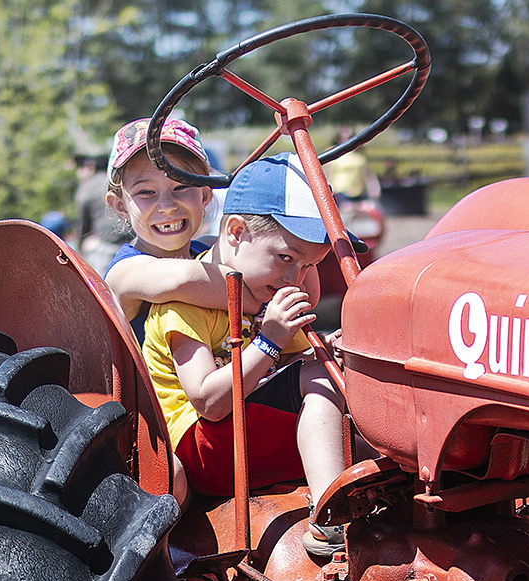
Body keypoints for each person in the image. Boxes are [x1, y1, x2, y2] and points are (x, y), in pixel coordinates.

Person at [141, 151, 366, 556]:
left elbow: (292, 370)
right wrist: (269, 340)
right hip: (201, 453)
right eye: (285, 258)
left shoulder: (268, 297)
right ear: (235, 232)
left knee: (347, 385)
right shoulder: (184, 305)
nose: (294, 278)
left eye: (308, 266)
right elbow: (209, 402)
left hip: (251, 434)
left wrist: (325, 351)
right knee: (318, 379)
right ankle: (331, 520)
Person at [102, 117, 256, 344]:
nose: (167, 206)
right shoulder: (123, 272)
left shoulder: (208, 247)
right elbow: (181, 279)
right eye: (146, 192)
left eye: (181, 186)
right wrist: (259, 294)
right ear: (120, 206)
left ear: (205, 195)